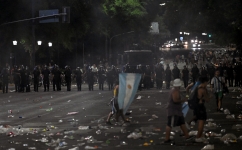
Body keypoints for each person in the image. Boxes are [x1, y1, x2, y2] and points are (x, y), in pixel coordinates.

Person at [164, 79, 193, 143]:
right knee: (170, 124)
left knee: (182, 123)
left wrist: (187, 93)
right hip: (173, 111)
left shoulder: (175, 90)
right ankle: (167, 138)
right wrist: (183, 100)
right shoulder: (175, 91)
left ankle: (187, 136)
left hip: (177, 111)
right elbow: (175, 100)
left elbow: (185, 95)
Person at [194, 76, 210, 143]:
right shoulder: (202, 89)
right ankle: (198, 137)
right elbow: (207, 99)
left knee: (201, 122)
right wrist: (209, 96)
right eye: (207, 82)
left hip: (197, 106)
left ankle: (200, 136)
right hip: (200, 107)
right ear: (205, 82)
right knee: (201, 122)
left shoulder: (198, 87)